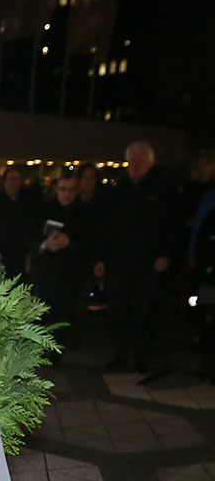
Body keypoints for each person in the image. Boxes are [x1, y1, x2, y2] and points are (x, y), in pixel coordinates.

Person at [95, 141, 176, 372]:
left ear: (150, 162)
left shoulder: (163, 189)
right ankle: (120, 354)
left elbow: (173, 226)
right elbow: (105, 227)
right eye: (133, 161)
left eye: (141, 161)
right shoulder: (118, 189)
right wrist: (101, 258)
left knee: (143, 311)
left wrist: (165, 254)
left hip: (148, 264)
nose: (136, 165)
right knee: (118, 309)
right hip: (119, 263)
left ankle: (141, 356)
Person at [30, 170, 95, 355]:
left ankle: (61, 348)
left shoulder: (85, 213)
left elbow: (91, 241)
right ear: (56, 189)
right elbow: (30, 237)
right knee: (44, 312)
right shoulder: (43, 210)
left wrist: (70, 241)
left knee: (67, 313)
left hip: (71, 274)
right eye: (63, 189)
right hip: (45, 273)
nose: (66, 194)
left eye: (71, 190)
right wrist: (45, 244)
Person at [0, 166, 38, 280]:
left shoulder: (29, 200)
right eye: (11, 179)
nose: (14, 183)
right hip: (1, 250)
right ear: (5, 181)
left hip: (21, 252)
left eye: (17, 179)